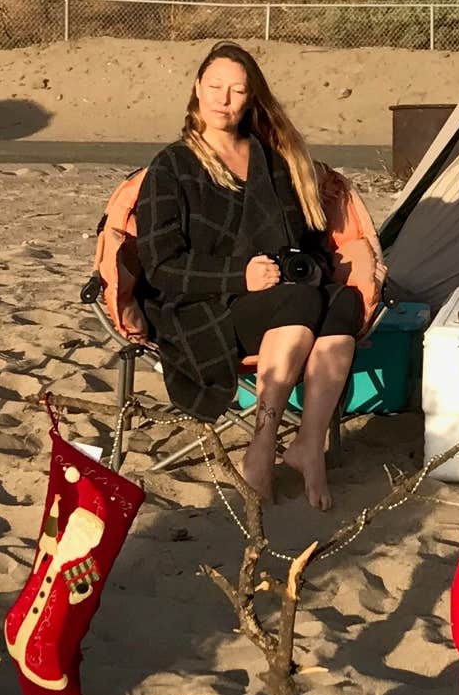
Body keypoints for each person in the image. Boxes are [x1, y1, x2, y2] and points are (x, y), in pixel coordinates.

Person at [133, 43, 381, 510]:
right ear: (197, 89)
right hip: (202, 305)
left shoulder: (270, 159)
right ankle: (263, 446)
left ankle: (308, 445)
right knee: (301, 302)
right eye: (215, 87)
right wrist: (238, 276)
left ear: (251, 98)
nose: (224, 99)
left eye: (237, 90)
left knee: (343, 302)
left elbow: (305, 239)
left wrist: (313, 266)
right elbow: (160, 266)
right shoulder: (173, 166)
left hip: (273, 295)